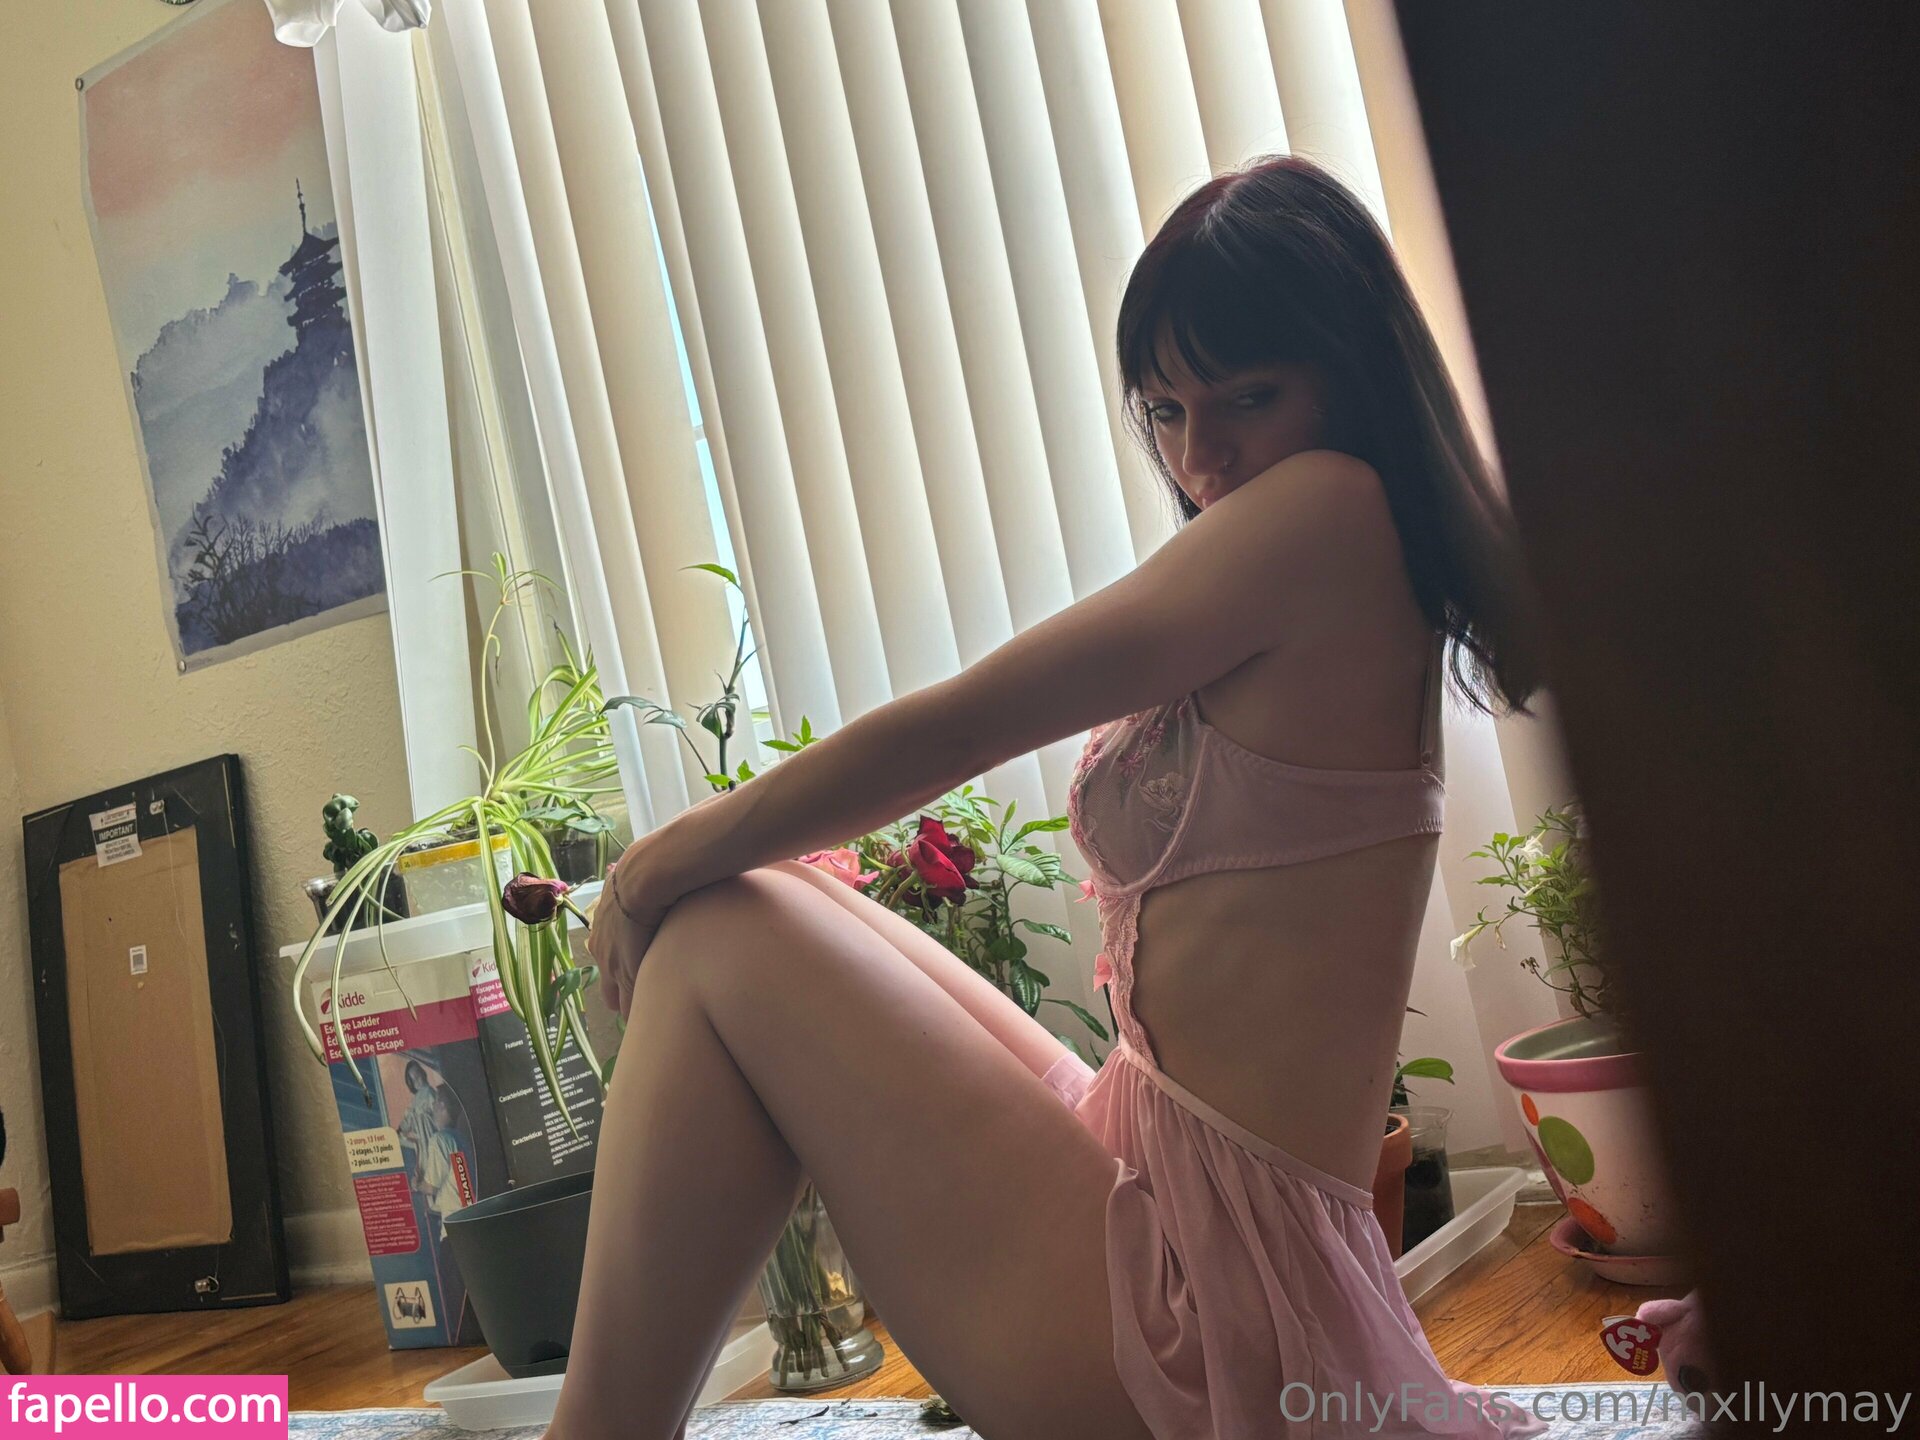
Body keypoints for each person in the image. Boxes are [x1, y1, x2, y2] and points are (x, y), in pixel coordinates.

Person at [563, 155, 1548, 1440]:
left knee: (718, 927)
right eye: (1167, 410)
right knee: (750, 907)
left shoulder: (1331, 509)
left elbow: (968, 721)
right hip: (1174, 1191)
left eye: (1249, 397)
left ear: (1352, 372)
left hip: (1200, 1316)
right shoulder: (1326, 533)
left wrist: (656, 858)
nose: (1201, 455)